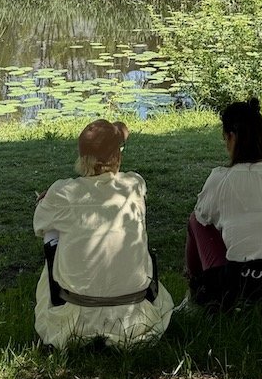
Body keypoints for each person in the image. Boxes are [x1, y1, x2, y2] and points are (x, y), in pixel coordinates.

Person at [32, 119, 173, 348]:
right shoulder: (135, 184)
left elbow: (39, 225)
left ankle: (61, 300)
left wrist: (48, 199)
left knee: (51, 233)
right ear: (117, 155)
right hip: (133, 316)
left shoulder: (62, 193)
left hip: (78, 316)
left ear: (81, 158)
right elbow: (122, 133)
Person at [186, 97, 262, 308]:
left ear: (232, 137)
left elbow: (202, 216)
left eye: (225, 139)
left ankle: (195, 289)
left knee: (196, 221)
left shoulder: (223, 179)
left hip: (246, 283)